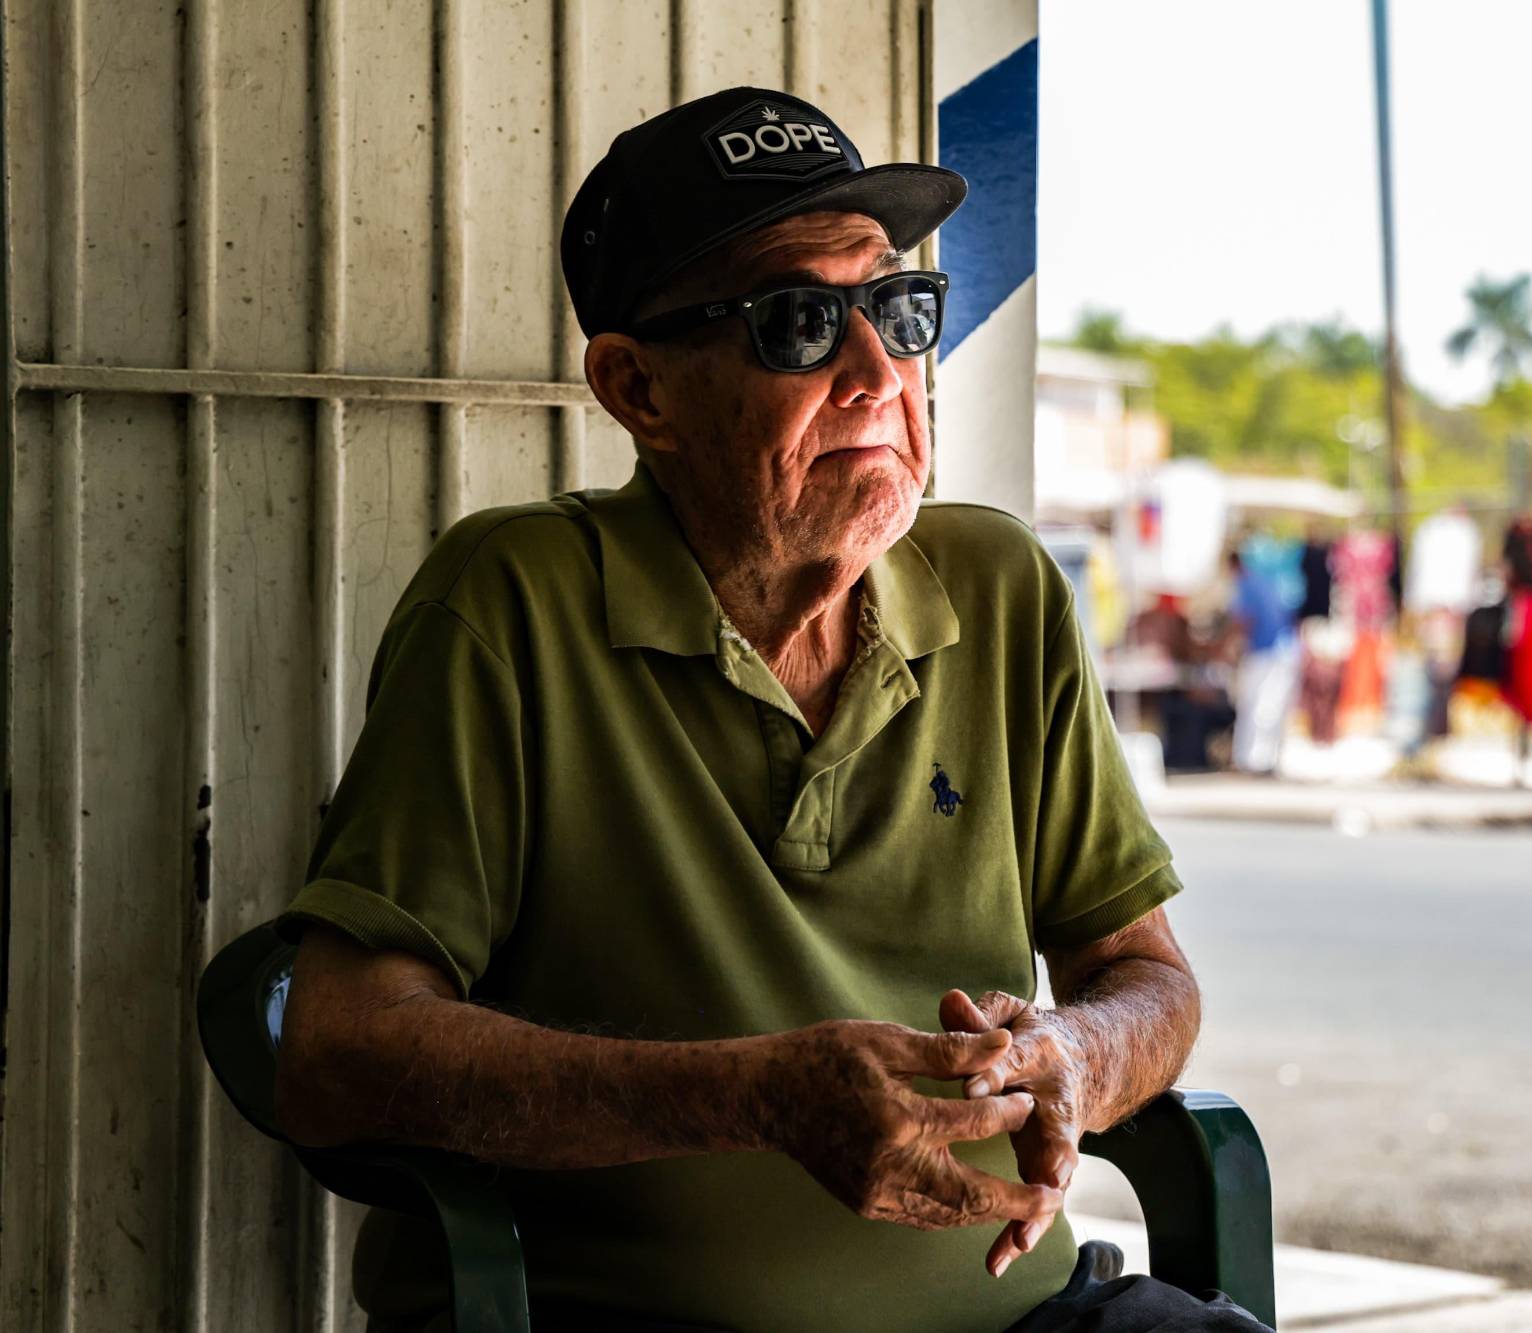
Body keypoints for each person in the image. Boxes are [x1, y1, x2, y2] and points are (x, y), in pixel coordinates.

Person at [271, 88, 1265, 1333]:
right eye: (797, 323)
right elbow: (338, 1049)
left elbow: (1144, 977)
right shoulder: (508, 604)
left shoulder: (1000, 588)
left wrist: (1075, 1054)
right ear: (639, 390)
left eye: (897, 311)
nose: (877, 373)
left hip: (1018, 1317)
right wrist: (748, 1097)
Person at [1226, 547, 1298, 774]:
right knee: (1269, 707)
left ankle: (1253, 760)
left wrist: (1229, 648)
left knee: (1257, 706)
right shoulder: (1264, 582)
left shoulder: (1246, 585)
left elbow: (1244, 621)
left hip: (1266, 652)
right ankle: (1264, 759)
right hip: (1282, 650)